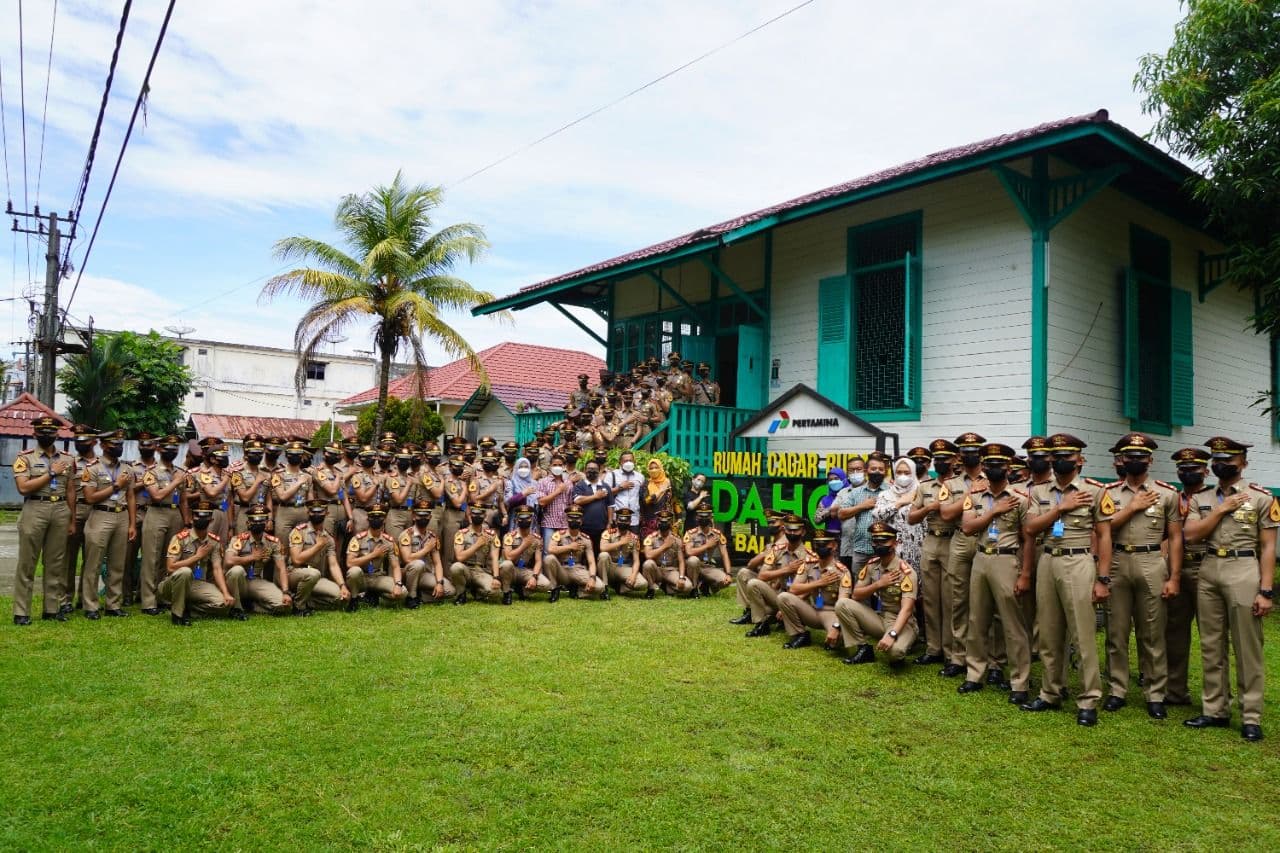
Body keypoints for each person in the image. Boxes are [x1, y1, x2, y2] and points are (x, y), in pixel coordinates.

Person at [1181, 436, 1275, 742]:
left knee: (1247, 646)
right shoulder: (1202, 498)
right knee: (1211, 643)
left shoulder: (1260, 497)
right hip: (1210, 569)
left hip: (1243, 569)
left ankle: (1251, 716)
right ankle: (1215, 709)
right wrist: (1221, 510)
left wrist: (1266, 590)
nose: (1221, 466)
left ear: (1243, 463)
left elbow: (1268, 547)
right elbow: (1191, 534)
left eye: (1229, 461)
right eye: (1217, 461)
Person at [1020, 433, 1110, 727]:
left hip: (1078, 560)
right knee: (1048, 632)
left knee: (1082, 633)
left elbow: (1105, 535)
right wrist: (1060, 507)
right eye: (1055, 456)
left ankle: (1088, 698)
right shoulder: (1040, 491)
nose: (1060, 461)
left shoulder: (1095, 491)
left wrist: (1103, 579)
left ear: (1080, 460)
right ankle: (1050, 691)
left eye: (1067, 456)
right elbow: (1031, 528)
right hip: (1048, 560)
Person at [1099, 433, 1181, 719]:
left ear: (1150, 460)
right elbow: (1103, 530)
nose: (1135, 461)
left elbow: (1175, 537)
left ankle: (1155, 693)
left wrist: (1174, 577)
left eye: (1140, 456)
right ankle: (1117, 690)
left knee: (1152, 632)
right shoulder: (1108, 493)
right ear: (1122, 460)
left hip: (1151, 561)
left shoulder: (1167, 493)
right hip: (1118, 560)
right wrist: (1133, 507)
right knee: (1116, 631)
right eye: (1129, 456)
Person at [955, 444, 1032, 702]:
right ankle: (974, 674)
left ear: (1009, 468)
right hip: (981, 558)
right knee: (977, 620)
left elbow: (1028, 539)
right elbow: (967, 527)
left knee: (1012, 624)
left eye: (998, 464)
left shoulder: (1021, 498)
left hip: (1007, 561)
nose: (992, 469)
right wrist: (994, 512)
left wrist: (1025, 573)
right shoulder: (974, 497)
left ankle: (1019, 682)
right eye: (988, 465)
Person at [11, 416, 76, 624]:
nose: (47, 435)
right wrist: (50, 472)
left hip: (60, 509)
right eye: (42, 432)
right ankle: (22, 612)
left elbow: (71, 490)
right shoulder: (25, 458)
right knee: (27, 563)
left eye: (51, 432)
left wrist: (72, 518)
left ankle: (52, 608)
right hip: (35, 508)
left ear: (57, 434)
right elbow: (23, 488)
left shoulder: (67, 459)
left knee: (55, 562)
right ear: (34, 434)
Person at [937, 432, 988, 679]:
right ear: (959, 455)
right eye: (965, 451)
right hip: (958, 540)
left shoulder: (994, 479)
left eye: (974, 451)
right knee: (958, 600)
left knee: (986, 602)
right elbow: (946, 515)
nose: (970, 455)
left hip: (986, 540)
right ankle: (958, 657)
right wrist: (971, 494)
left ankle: (989, 660)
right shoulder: (951, 484)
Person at [836, 522, 919, 666]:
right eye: (875, 541)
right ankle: (863, 649)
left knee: (895, 654)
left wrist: (892, 634)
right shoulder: (872, 565)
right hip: (880, 617)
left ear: (895, 543)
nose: (878, 544)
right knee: (843, 604)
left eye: (883, 541)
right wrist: (878, 584)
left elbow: (907, 610)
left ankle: (904, 641)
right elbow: (856, 595)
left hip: (902, 622)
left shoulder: (906, 572)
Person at [906, 438, 958, 665]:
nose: (940, 462)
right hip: (931, 541)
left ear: (955, 460)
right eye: (937, 459)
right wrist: (929, 507)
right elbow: (911, 517)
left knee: (950, 599)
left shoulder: (961, 486)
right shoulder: (926, 487)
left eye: (945, 458)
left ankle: (950, 652)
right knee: (930, 599)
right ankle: (933, 648)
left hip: (953, 541)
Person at [1166, 447, 1211, 707]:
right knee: (1174, 633)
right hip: (1177, 570)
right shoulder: (1171, 498)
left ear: (1205, 471)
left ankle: (1214, 698)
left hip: (1207, 567)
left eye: (1194, 468)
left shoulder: (1215, 498)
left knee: (1211, 635)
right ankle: (1175, 691)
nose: (1188, 472)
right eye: (1183, 469)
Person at [79, 429, 137, 620]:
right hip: (100, 516)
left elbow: (130, 497)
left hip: (121, 517)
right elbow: (89, 498)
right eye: (114, 444)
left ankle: (113, 605)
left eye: (120, 444)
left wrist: (132, 524)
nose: (118, 448)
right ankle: (91, 606)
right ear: (103, 446)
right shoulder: (92, 468)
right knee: (93, 564)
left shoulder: (127, 469)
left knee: (117, 564)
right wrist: (116, 486)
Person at [162, 499, 239, 625]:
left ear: (211, 520)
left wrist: (226, 593)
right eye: (197, 515)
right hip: (172, 584)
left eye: (205, 516)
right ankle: (177, 614)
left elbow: (217, 569)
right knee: (185, 572)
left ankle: (190, 609)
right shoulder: (179, 538)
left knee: (223, 604)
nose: (201, 518)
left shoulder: (213, 541)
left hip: (197, 584)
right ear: (191, 519)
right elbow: (170, 568)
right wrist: (197, 557)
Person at [139, 435, 188, 616]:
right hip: (156, 513)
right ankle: (148, 601)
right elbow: (156, 496)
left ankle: (163, 596)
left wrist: (186, 522)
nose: (172, 451)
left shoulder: (180, 471)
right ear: (159, 449)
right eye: (168, 448)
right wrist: (175, 481)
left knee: (169, 558)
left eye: (175, 448)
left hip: (175, 514)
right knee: (151, 559)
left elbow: (183, 500)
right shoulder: (151, 472)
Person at [775, 532, 844, 649]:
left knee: (835, 643)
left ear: (834, 546)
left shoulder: (841, 571)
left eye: (824, 544)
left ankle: (835, 631)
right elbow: (794, 588)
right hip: (812, 610)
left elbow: (844, 604)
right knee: (784, 597)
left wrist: (837, 626)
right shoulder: (809, 564)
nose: (820, 547)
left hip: (831, 612)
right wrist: (819, 582)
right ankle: (800, 635)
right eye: (817, 544)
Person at [744, 515, 810, 636]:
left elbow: (809, 589)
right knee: (754, 583)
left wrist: (786, 604)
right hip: (780, 594)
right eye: (789, 530)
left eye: (796, 530)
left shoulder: (809, 555)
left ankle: (786, 621)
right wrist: (786, 569)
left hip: (798, 599)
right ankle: (761, 624)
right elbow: (762, 576)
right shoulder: (777, 550)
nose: (792, 533)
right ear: (784, 530)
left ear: (803, 532)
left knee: (780, 604)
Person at [223, 503, 291, 615]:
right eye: (254, 521)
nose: (258, 523)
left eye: (261, 520)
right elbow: (228, 561)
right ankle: (237, 608)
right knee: (237, 571)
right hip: (239, 581)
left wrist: (285, 592)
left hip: (256, 581)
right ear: (248, 523)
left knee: (283, 605)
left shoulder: (272, 542)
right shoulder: (239, 539)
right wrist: (252, 557)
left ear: (266, 523)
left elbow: (281, 568)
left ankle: (253, 606)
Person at [287, 498, 344, 614]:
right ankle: (299, 606)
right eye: (313, 511)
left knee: (339, 596)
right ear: (308, 513)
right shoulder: (299, 532)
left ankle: (304, 600)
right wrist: (318, 546)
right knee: (313, 573)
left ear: (326, 513)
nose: (316, 514)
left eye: (320, 511)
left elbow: (333, 565)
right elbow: (296, 560)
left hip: (316, 578)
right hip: (295, 574)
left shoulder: (328, 538)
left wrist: (342, 585)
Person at [345, 504, 407, 610]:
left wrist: (398, 584)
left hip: (378, 577)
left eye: (379, 517)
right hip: (361, 578)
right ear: (367, 519)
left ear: (384, 519)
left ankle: (375, 594)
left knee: (403, 592)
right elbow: (349, 563)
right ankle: (354, 599)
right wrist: (373, 555)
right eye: (373, 517)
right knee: (354, 571)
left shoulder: (388, 541)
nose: (376, 519)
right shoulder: (358, 539)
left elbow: (396, 566)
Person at [834, 453, 888, 573]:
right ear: (866, 470)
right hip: (860, 550)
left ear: (885, 472)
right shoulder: (856, 492)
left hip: (883, 549)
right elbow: (841, 514)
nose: (877, 472)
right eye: (873, 469)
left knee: (881, 586)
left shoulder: (890, 491)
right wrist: (862, 506)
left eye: (881, 469)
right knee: (859, 585)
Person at [64, 424, 97, 612]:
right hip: (74, 512)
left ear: (94, 441)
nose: (80, 443)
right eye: (77, 439)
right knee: (69, 558)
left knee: (91, 559)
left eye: (84, 439)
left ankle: (85, 598)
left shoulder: (100, 464)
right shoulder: (69, 462)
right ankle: (66, 599)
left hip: (94, 512)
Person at [450, 506, 513, 605]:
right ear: (470, 515)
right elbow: (459, 557)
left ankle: (477, 590)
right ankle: (461, 594)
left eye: (480, 514)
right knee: (456, 567)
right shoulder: (461, 534)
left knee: (495, 592)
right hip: (466, 570)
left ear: (485, 515)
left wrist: (496, 577)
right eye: (475, 513)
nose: (477, 516)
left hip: (482, 571)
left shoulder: (491, 535)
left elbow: (495, 558)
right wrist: (477, 545)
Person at [872, 456, 923, 571]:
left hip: (916, 550)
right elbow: (877, 515)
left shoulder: (921, 492)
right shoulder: (885, 495)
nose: (902, 476)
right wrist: (899, 503)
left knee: (914, 583)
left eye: (907, 472)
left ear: (913, 473)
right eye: (899, 472)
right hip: (890, 550)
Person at [500, 505, 555, 600]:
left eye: (527, 518)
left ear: (531, 519)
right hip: (511, 570)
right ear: (517, 520)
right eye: (521, 518)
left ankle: (522, 590)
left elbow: (538, 561)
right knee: (506, 564)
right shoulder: (509, 537)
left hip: (525, 570)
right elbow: (508, 557)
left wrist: (534, 577)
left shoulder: (536, 539)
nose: (524, 520)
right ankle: (506, 592)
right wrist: (524, 545)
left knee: (546, 585)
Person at [399, 503, 448, 606]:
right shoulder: (406, 535)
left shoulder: (432, 537)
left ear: (430, 517)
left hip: (425, 574)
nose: (423, 518)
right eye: (420, 515)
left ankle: (421, 595)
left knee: (450, 590)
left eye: (426, 515)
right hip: (408, 573)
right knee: (418, 564)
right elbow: (407, 559)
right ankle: (411, 597)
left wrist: (439, 583)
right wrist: (426, 549)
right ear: (413, 516)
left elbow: (437, 563)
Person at [643, 509, 694, 597]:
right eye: (661, 521)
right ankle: (651, 589)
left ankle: (666, 587)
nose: (663, 524)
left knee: (687, 587)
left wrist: (681, 577)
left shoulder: (676, 539)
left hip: (671, 570)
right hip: (657, 569)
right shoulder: (651, 538)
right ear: (657, 522)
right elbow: (648, 555)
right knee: (648, 564)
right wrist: (665, 546)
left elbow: (681, 561)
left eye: (666, 522)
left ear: (670, 523)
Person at [683, 506, 733, 596]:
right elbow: (689, 552)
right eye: (701, 516)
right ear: (697, 517)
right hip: (693, 567)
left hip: (707, 567)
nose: (704, 519)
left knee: (725, 581)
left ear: (711, 517)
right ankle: (694, 589)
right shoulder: (691, 534)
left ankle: (706, 586)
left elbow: (724, 554)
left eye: (706, 516)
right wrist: (707, 545)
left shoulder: (716, 534)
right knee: (693, 560)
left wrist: (728, 574)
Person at [600, 507, 649, 598]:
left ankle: (620, 588)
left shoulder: (634, 538)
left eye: (626, 520)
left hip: (623, 567)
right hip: (609, 566)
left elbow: (636, 560)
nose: (623, 522)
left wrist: (634, 575)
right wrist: (621, 542)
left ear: (630, 522)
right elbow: (603, 548)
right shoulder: (608, 533)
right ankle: (604, 588)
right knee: (603, 555)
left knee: (642, 584)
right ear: (616, 520)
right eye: (621, 520)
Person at [572, 458, 612, 552]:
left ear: (599, 471)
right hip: (583, 527)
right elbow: (577, 501)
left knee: (599, 552)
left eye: (594, 469)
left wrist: (610, 522)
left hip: (601, 526)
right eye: (589, 468)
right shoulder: (580, 485)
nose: (592, 471)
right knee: (583, 552)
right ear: (585, 470)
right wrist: (595, 496)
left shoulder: (605, 486)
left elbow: (610, 505)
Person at [536, 453, 574, 552]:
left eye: (560, 465)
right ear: (550, 466)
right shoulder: (543, 482)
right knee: (547, 551)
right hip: (549, 523)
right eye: (555, 465)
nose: (557, 467)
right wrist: (558, 491)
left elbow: (570, 504)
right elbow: (541, 502)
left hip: (565, 524)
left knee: (564, 552)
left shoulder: (568, 483)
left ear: (564, 466)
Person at [606, 451, 645, 536]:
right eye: (625, 461)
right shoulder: (612, 475)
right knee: (616, 542)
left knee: (633, 543)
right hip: (617, 518)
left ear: (634, 462)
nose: (628, 463)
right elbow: (605, 493)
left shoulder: (640, 477)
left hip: (634, 518)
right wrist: (620, 487)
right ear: (620, 462)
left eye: (630, 460)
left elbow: (641, 497)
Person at [640, 458, 674, 538]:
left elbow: (674, 500)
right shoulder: (646, 484)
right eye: (651, 468)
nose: (654, 470)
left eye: (656, 467)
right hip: (649, 521)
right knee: (649, 545)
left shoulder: (668, 482)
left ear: (661, 468)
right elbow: (646, 501)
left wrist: (679, 517)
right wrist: (660, 491)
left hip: (666, 520)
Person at [505, 457, 540, 530]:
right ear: (516, 469)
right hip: (516, 520)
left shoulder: (535, 484)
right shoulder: (511, 483)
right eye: (521, 467)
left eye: (526, 467)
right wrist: (522, 494)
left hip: (532, 521)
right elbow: (508, 502)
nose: (523, 469)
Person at [813, 467, 848, 538]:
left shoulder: (852, 494)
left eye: (836, 478)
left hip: (849, 536)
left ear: (844, 480)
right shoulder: (825, 500)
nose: (833, 482)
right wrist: (830, 509)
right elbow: (817, 520)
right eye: (830, 480)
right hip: (831, 538)